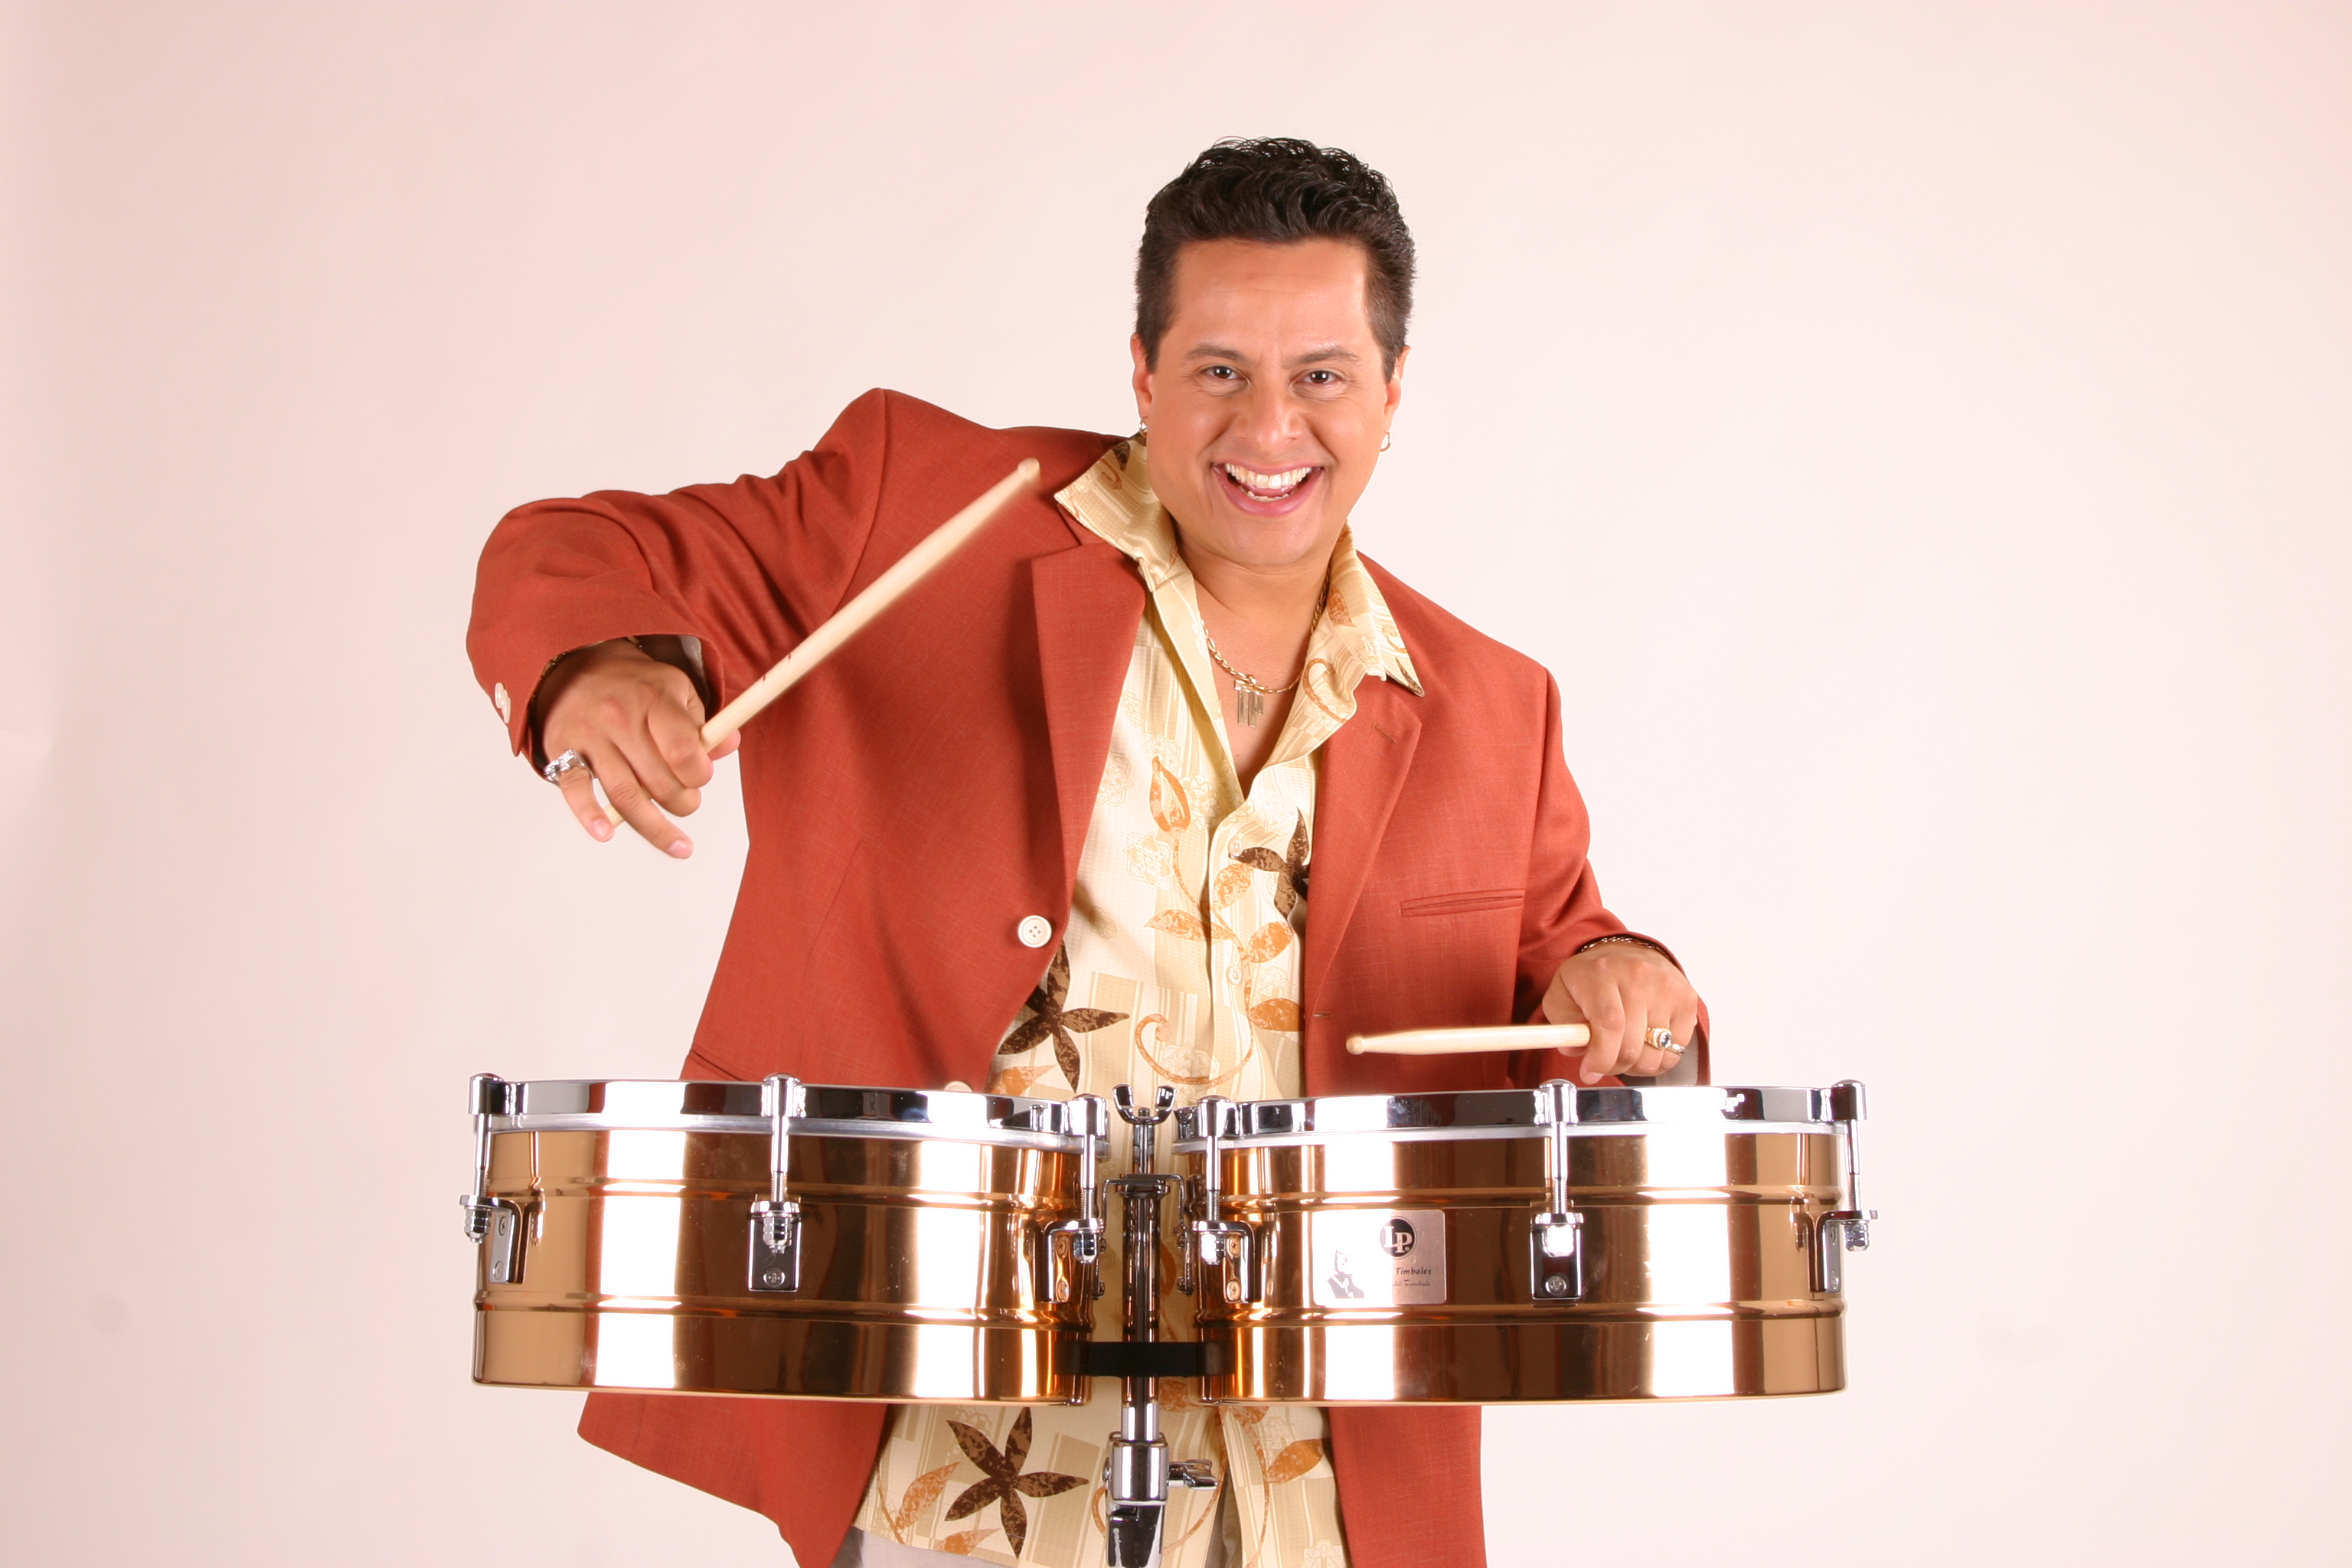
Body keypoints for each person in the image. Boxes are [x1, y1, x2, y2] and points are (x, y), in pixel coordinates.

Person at [467, 138, 1706, 1568]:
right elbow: (569, 548)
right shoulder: (923, 510)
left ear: (1391, 393)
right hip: (960, 1477)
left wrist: (1628, 992)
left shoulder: (1494, 702)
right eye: (1219, 370)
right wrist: (594, 673)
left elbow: (1574, 983)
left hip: (1324, 1495)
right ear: (1143, 373)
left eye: (1321, 376)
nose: (1270, 427)